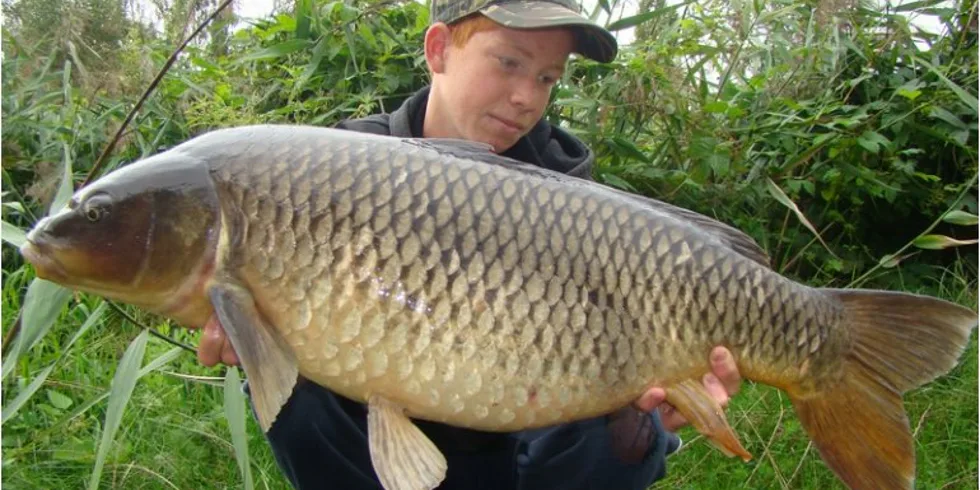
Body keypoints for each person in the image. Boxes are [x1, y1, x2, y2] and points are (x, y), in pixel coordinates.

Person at [198, 0, 743, 487]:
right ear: (438, 48)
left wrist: (646, 412)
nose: (528, 97)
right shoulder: (341, 169)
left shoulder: (580, 205)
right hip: (375, 438)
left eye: (548, 77)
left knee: (622, 427)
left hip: (524, 445)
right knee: (293, 373)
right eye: (509, 62)